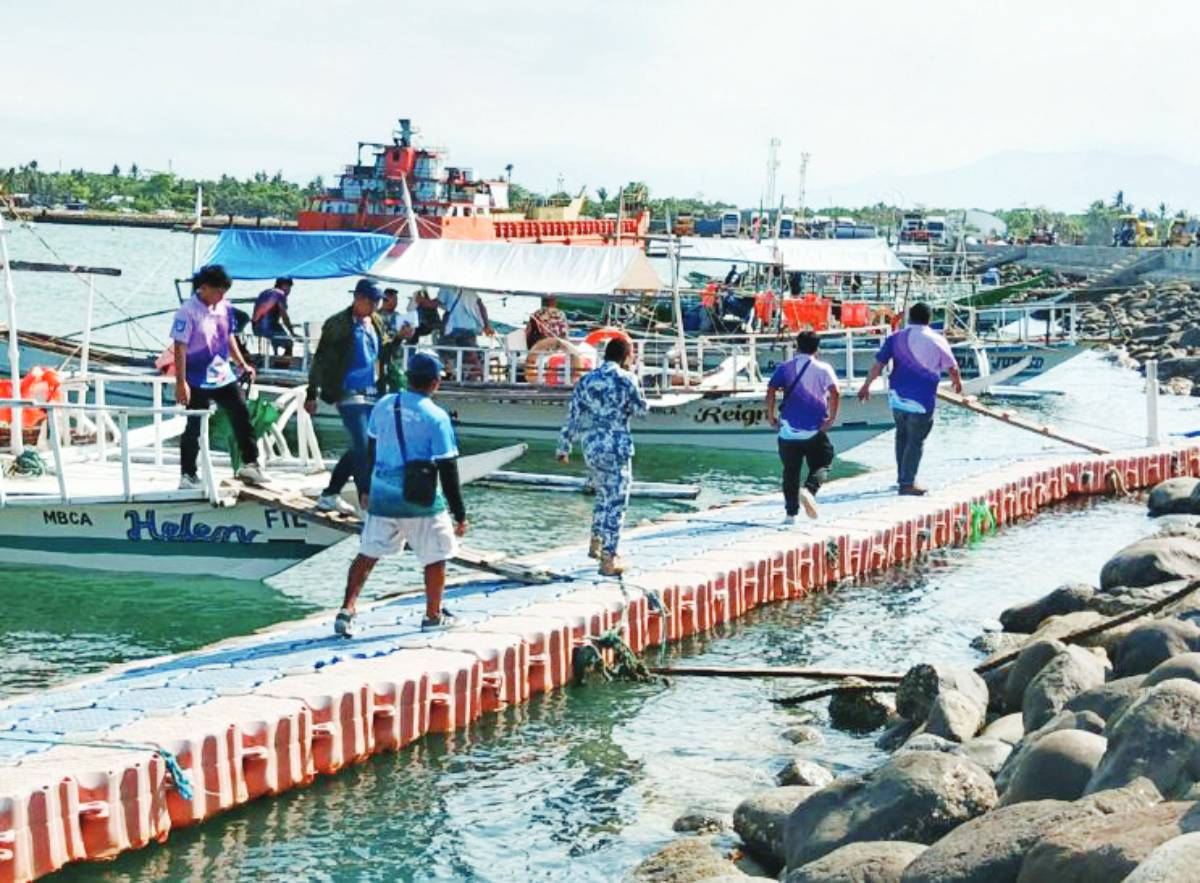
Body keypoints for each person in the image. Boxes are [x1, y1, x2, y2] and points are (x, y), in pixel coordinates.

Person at [333, 351, 469, 637]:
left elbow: (369, 451)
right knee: (436, 556)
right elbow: (448, 469)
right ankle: (433, 615)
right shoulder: (437, 417)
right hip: (420, 500)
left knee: (368, 553)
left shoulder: (383, 405)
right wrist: (459, 513)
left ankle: (347, 609)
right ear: (435, 383)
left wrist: (365, 489)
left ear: (408, 378)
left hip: (382, 494)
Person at [556, 337, 648, 576]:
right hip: (617, 446)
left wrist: (564, 447)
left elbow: (573, 415)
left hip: (592, 446)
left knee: (602, 494)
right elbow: (641, 411)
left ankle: (596, 541)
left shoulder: (586, 380)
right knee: (617, 501)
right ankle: (609, 558)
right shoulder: (627, 379)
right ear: (626, 356)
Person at [170, 264, 266, 488]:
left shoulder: (224, 307)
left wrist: (242, 363)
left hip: (223, 374)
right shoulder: (187, 311)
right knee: (195, 424)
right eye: (218, 291)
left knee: (241, 414)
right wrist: (181, 382)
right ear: (204, 288)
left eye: (224, 292)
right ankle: (188, 474)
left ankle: (250, 464)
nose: (221, 296)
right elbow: (179, 347)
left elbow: (228, 336)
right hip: (196, 377)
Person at [857, 302, 963, 496]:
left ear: (910, 318)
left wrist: (866, 385)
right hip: (922, 400)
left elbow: (878, 365)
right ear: (929, 319)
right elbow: (952, 367)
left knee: (902, 437)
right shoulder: (937, 339)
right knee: (916, 441)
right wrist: (957, 383)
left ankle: (902, 477)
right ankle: (907, 483)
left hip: (897, 397)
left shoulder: (895, 338)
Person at [305, 279, 389, 513]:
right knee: (362, 446)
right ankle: (366, 500)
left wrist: (401, 338)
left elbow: (384, 354)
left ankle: (330, 494)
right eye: (371, 301)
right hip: (346, 391)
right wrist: (312, 393)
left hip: (373, 391)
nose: (375, 306)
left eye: (378, 302)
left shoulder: (376, 321)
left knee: (365, 447)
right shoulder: (337, 324)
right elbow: (320, 359)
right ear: (358, 298)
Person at [766, 330, 840, 523]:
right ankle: (809, 490)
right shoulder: (823, 368)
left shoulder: (785, 367)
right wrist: (831, 419)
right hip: (814, 430)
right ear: (817, 348)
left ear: (797, 346)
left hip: (788, 431)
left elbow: (771, 389)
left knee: (790, 471)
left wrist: (771, 416)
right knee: (824, 461)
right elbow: (835, 392)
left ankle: (790, 516)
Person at [441, 287, 494, 378]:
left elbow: (437, 303)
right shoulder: (471, 292)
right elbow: (481, 307)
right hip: (469, 328)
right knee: (471, 356)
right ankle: (479, 376)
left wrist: (422, 301)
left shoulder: (447, 288)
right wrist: (486, 325)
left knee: (447, 352)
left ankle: (451, 374)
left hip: (453, 329)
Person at [251, 277, 297, 356]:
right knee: (289, 344)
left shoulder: (265, 292)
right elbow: (284, 316)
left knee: (278, 335)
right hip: (268, 328)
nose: (289, 290)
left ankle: (275, 357)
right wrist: (292, 331)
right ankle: (283, 365)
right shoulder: (280, 294)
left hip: (256, 328)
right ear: (283, 285)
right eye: (288, 287)